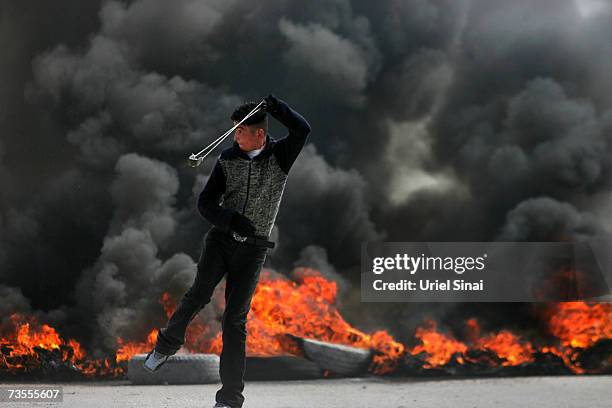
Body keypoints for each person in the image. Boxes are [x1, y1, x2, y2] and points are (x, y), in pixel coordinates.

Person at [143, 94, 311, 408]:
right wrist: (230, 219)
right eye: (234, 130)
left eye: (241, 131)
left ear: (259, 134)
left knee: (234, 321)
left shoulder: (281, 157)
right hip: (221, 241)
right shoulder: (227, 160)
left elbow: (302, 130)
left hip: (254, 250)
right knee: (198, 294)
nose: (235, 136)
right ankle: (166, 345)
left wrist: (278, 109)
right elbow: (205, 203)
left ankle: (230, 399)